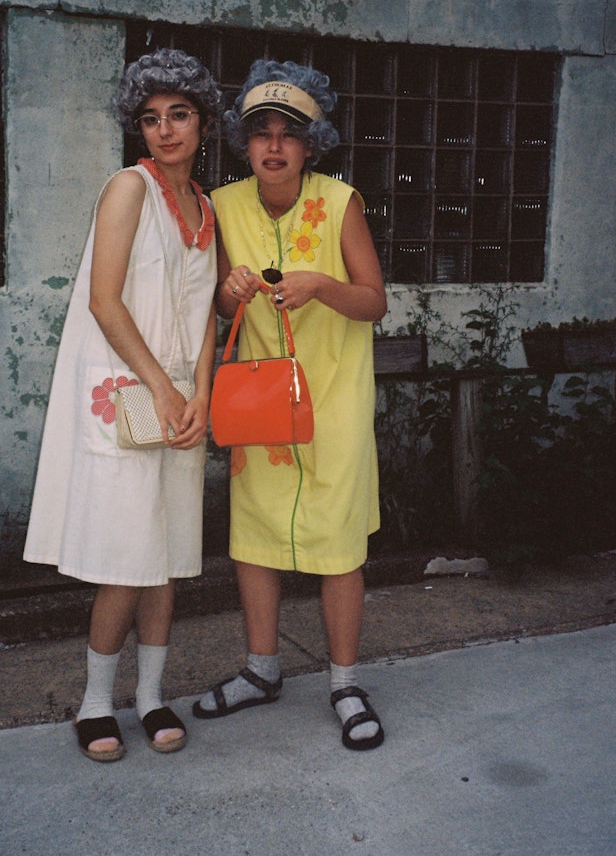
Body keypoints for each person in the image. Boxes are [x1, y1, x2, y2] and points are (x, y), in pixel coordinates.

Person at [24, 48, 221, 762]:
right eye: (150, 118)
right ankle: (95, 702)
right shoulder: (128, 189)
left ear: (203, 121)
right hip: (127, 395)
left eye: (179, 114)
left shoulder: (205, 208)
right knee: (124, 560)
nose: (165, 129)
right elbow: (105, 301)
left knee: (166, 557)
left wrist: (199, 392)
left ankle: (151, 696)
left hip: (181, 404)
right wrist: (165, 390)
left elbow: (204, 317)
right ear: (137, 128)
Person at [193, 58, 388, 750]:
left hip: (333, 399)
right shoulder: (222, 204)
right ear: (242, 143)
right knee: (255, 538)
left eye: (289, 134)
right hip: (261, 404)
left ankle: (343, 683)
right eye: (260, 133)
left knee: (338, 545)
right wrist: (231, 289)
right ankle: (262, 669)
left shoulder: (341, 203)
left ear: (313, 143)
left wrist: (320, 285)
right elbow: (216, 303)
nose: (273, 147)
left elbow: (373, 300)